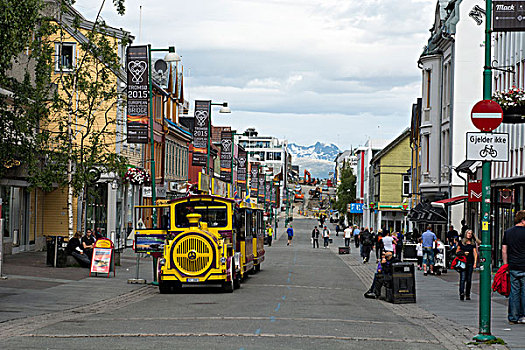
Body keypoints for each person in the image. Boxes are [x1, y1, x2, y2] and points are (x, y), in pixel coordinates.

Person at [502, 210, 525, 324]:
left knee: (514, 292)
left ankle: (513, 317)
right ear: (523, 220)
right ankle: (523, 315)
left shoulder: (508, 232)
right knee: (524, 292)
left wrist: (506, 264)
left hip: (513, 266)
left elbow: (504, 250)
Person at [457, 229, 478, 301]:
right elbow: (457, 251)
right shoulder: (461, 242)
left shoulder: (472, 243)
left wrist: (475, 263)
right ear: (466, 234)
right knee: (463, 278)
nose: (469, 235)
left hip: (470, 262)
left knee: (469, 279)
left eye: (471, 233)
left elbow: (475, 253)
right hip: (463, 263)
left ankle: (468, 294)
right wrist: (463, 253)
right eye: (468, 233)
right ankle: (462, 293)